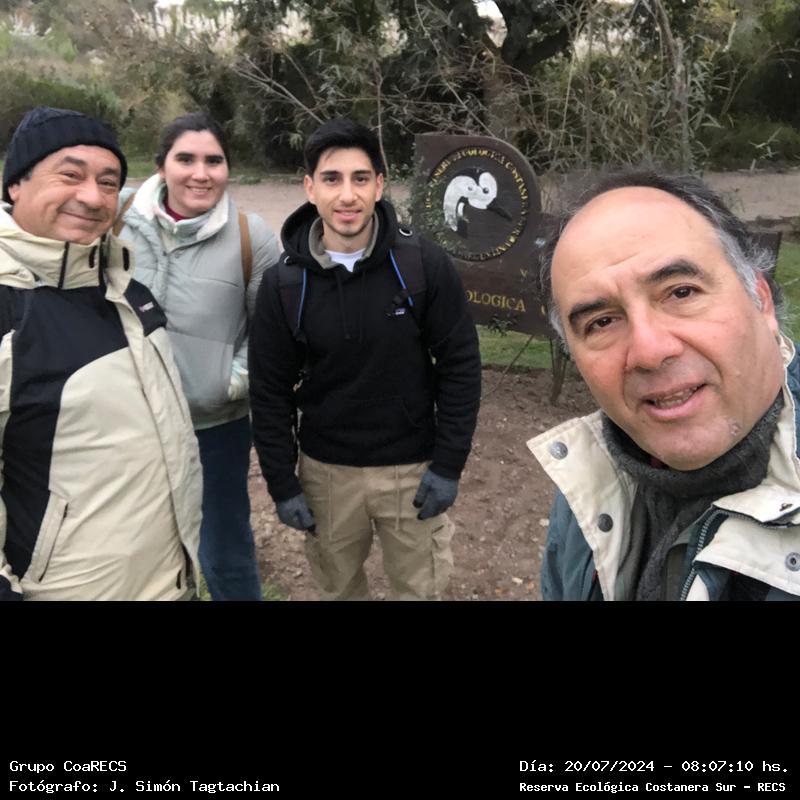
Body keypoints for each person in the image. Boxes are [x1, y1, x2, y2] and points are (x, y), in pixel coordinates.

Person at [528, 169, 800, 601]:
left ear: (760, 300)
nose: (650, 351)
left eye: (681, 293)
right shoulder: (591, 489)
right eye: (602, 322)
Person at [249, 118, 481, 600]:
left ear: (379, 185)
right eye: (332, 179)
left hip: (412, 470)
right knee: (338, 591)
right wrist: (282, 484)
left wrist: (448, 465)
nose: (347, 195)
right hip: (327, 474)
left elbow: (459, 366)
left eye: (360, 179)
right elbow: (269, 392)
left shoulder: (422, 265)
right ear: (310, 188)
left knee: (420, 591)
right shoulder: (284, 284)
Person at [0, 106, 202, 601]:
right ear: (15, 184)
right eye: (70, 175)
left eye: (108, 182)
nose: (92, 197)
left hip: (168, 582)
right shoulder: (8, 311)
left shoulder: (128, 294)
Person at [117, 112, 280, 601]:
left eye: (214, 161)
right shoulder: (116, 220)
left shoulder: (251, 237)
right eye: (185, 159)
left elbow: (272, 334)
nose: (200, 173)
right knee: (132, 547)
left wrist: (227, 383)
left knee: (225, 550)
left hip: (214, 428)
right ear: (161, 166)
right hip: (126, 422)